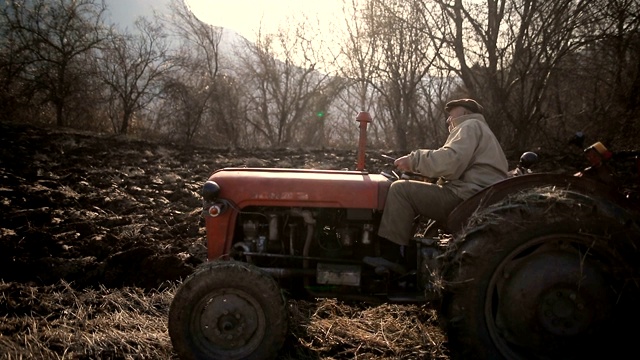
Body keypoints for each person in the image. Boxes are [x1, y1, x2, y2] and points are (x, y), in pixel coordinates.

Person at [371, 98, 508, 272]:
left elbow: (449, 162)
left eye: (452, 113)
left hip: (467, 197)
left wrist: (414, 160)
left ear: (466, 113)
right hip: (478, 194)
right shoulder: (484, 131)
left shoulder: (469, 126)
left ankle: (392, 258)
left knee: (400, 190)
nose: (448, 119)